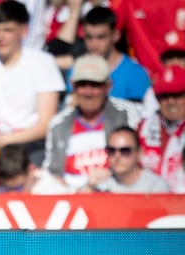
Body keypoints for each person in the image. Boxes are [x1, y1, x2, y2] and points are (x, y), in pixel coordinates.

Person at [0, 0, 65, 167]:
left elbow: (46, 125)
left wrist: (3, 140)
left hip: (32, 148)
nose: (0, 37)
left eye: (8, 30)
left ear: (24, 31)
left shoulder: (43, 62)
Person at [42, 53, 138, 192]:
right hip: (71, 198)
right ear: (73, 86)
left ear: (108, 86)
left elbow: (135, 162)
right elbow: (52, 171)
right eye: (82, 84)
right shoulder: (58, 124)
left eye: (94, 85)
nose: (88, 92)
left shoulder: (125, 114)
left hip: (115, 193)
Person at [74, 6, 151, 113]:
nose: (94, 44)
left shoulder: (136, 74)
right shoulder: (76, 70)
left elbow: (139, 117)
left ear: (116, 35)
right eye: (89, 37)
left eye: (101, 37)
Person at [80, 126, 170, 193]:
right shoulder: (100, 183)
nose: (117, 156)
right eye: (111, 150)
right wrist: (89, 186)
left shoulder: (156, 187)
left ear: (139, 153)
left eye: (125, 151)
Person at [138, 65, 185, 193]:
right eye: (165, 96)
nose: (171, 101)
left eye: (177, 95)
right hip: (149, 202)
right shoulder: (142, 128)